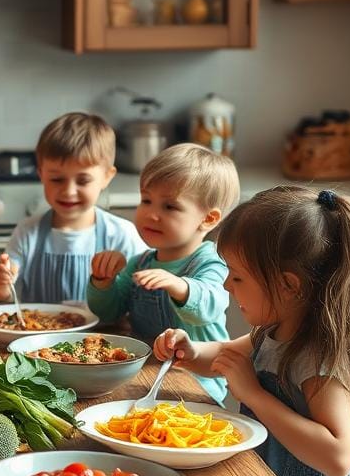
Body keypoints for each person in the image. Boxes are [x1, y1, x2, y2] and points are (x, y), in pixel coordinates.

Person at [153, 187, 350, 476]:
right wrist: (189, 351)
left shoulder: (319, 360)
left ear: (289, 285)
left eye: (237, 277)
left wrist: (253, 395)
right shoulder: (272, 332)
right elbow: (225, 355)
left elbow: (336, 458)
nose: (227, 285)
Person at [87, 143, 240, 404]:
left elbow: (210, 306)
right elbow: (109, 312)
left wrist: (180, 286)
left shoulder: (211, 260)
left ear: (208, 219)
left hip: (196, 386)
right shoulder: (140, 262)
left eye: (169, 207)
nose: (151, 214)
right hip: (146, 374)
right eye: (146, 200)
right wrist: (103, 281)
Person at [0, 112, 144, 304]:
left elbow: (141, 296)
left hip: (103, 334)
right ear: (41, 175)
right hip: (36, 334)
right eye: (56, 179)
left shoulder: (121, 235)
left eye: (83, 180)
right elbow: (3, 298)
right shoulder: (27, 233)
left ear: (107, 177)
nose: (69, 191)